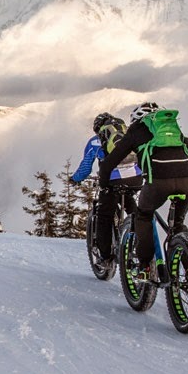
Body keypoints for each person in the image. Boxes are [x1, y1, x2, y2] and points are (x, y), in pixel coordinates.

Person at [98, 102, 188, 282]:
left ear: (136, 120)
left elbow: (109, 164)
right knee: (177, 224)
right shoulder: (174, 132)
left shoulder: (135, 131)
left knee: (143, 215)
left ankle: (145, 267)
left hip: (158, 182)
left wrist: (104, 185)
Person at [73, 112, 143, 271]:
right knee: (134, 211)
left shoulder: (96, 141)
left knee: (104, 216)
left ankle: (105, 258)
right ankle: (138, 239)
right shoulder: (129, 136)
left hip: (112, 181)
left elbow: (85, 167)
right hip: (136, 179)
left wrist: (75, 179)